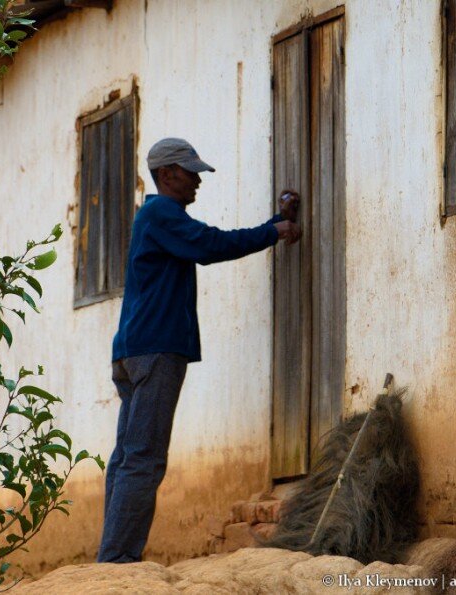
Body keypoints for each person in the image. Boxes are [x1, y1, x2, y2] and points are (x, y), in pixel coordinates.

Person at [97, 137, 302, 563]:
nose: (197, 181)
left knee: (128, 457)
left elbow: (204, 242)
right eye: (191, 172)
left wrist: (274, 223)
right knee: (144, 459)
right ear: (168, 174)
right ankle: (117, 561)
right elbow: (211, 245)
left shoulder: (157, 217)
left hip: (134, 350)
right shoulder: (161, 213)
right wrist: (273, 231)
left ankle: (113, 557)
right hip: (156, 350)